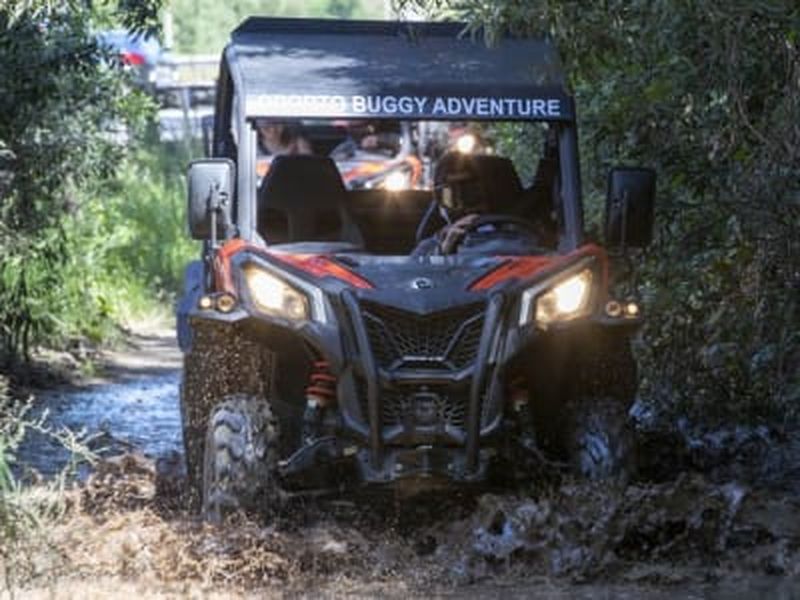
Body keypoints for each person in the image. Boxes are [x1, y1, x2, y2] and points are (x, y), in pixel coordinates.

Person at [412, 152, 543, 257]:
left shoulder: (523, 233)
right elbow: (413, 282)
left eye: (471, 193)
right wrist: (442, 254)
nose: (462, 204)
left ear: (490, 193)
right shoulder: (431, 246)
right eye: (450, 197)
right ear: (439, 202)